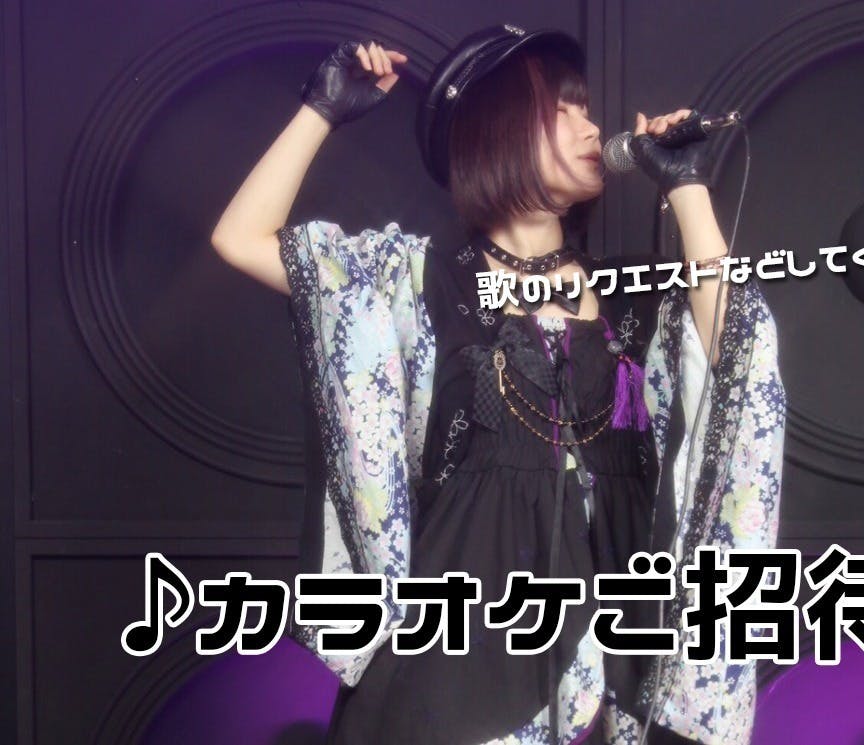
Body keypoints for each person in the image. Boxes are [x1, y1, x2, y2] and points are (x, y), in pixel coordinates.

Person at [211, 24, 786, 745]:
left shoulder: (636, 297)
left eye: (585, 109)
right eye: (562, 110)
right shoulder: (415, 280)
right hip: (455, 669)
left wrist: (687, 184)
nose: (591, 127)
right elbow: (242, 238)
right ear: (498, 133)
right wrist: (320, 109)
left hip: (618, 659)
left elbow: (739, 364)